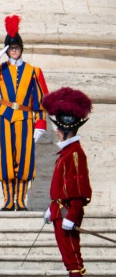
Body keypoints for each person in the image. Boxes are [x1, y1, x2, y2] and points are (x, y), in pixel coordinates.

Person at [0, 15, 49, 210]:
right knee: (4, 159)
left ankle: (20, 201)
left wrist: (40, 124)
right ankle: (7, 201)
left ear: (21, 49)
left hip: (24, 118)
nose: (14, 51)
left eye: (16, 48)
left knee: (23, 160)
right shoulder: (0, 69)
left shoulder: (34, 71)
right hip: (5, 117)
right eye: (11, 48)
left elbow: (41, 100)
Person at [42, 87, 93, 277]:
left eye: (58, 128)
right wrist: (51, 208)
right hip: (59, 211)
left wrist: (72, 215)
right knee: (68, 258)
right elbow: (61, 187)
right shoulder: (66, 152)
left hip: (67, 213)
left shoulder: (75, 154)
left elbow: (79, 190)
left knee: (73, 260)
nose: (56, 131)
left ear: (65, 130)